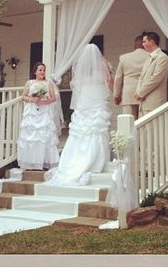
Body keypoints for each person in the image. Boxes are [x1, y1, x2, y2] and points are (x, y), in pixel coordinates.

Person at [44, 44, 112, 186]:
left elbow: (76, 84)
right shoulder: (102, 65)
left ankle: (74, 160)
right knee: (96, 126)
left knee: (81, 129)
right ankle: (97, 160)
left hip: (85, 98)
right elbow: (108, 81)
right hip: (97, 96)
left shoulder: (81, 69)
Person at [17, 62, 60, 170]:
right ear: (35, 71)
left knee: (43, 137)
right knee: (31, 137)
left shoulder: (48, 83)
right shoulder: (29, 83)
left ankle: (44, 162)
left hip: (44, 111)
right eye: (40, 70)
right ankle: (31, 162)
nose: (42, 72)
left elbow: (53, 98)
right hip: (32, 112)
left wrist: (44, 102)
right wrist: (33, 99)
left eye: (44, 70)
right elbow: (23, 97)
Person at [134, 32, 168, 117]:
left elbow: (155, 79)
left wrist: (140, 93)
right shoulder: (148, 59)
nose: (142, 45)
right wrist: (138, 91)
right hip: (143, 103)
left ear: (152, 42)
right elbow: (141, 77)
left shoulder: (162, 57)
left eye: (144, 42)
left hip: (154, 104)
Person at [113, 35, 149, 119]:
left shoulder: (124, 58)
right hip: (144, 93)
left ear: (134, 45)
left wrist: (117, 95)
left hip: (128, 94)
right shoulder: (150, 56)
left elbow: (118, 78)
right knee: (144, 123)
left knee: (129, 123)